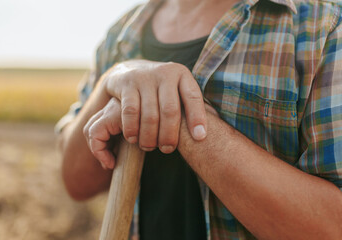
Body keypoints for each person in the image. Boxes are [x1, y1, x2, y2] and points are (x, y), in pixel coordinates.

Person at [56, 0, 342, 239]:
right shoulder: (122, 35)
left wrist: (176, 112)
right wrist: (115, 77)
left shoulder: (325, 27)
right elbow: (76, 181)